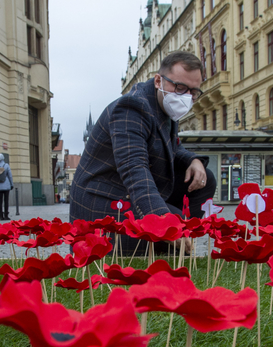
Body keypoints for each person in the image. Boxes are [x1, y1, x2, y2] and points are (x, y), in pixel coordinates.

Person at [69, 51, 215, 252]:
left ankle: (185, 241)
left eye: (193, 92)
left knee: (206, 178)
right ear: (158, 81)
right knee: (174, 223)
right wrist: (164, 221)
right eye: (180, 88)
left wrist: (194, 160)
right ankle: (175, 244)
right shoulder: (132, 107)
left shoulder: (165, 105)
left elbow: (172, 147)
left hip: (128, 192)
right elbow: (134, 170)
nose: (187, 97)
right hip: (104, 202)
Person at [0, 153, 13, 220]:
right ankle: (6, 215)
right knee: (6, 200)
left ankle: (1, 215)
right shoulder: (6, 165)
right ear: (3, 158)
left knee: (0, 201)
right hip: (6, 185)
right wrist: (11, 184)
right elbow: (10, 176)